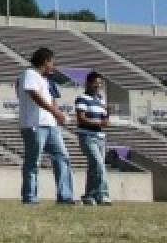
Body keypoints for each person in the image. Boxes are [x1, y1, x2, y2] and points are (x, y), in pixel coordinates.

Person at [16, 47, 76, 204]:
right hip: (34, 125)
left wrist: (59, 115)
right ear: (45, 61)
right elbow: (35, 95)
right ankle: (30, 196)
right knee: (33, 161)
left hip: (50, 125)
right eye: (52, 62)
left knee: (62, 157)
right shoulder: (30, 74)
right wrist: (56, 113)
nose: (53, 66)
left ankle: (65, 196)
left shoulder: (45, 80)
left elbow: (50, 101)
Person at [75, 71, 111, 206]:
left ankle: (89, 196)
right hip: (87, 136)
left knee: (94, 167)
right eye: (96, 82)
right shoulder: (82, 98)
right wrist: (99, 123)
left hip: (100, 137)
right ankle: (103, 194)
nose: (98, 85)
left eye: (100, 83)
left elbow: (104, 119)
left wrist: (107, 117)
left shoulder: (101, 100)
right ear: (89, 83)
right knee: (98, 164)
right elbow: (81, 118)